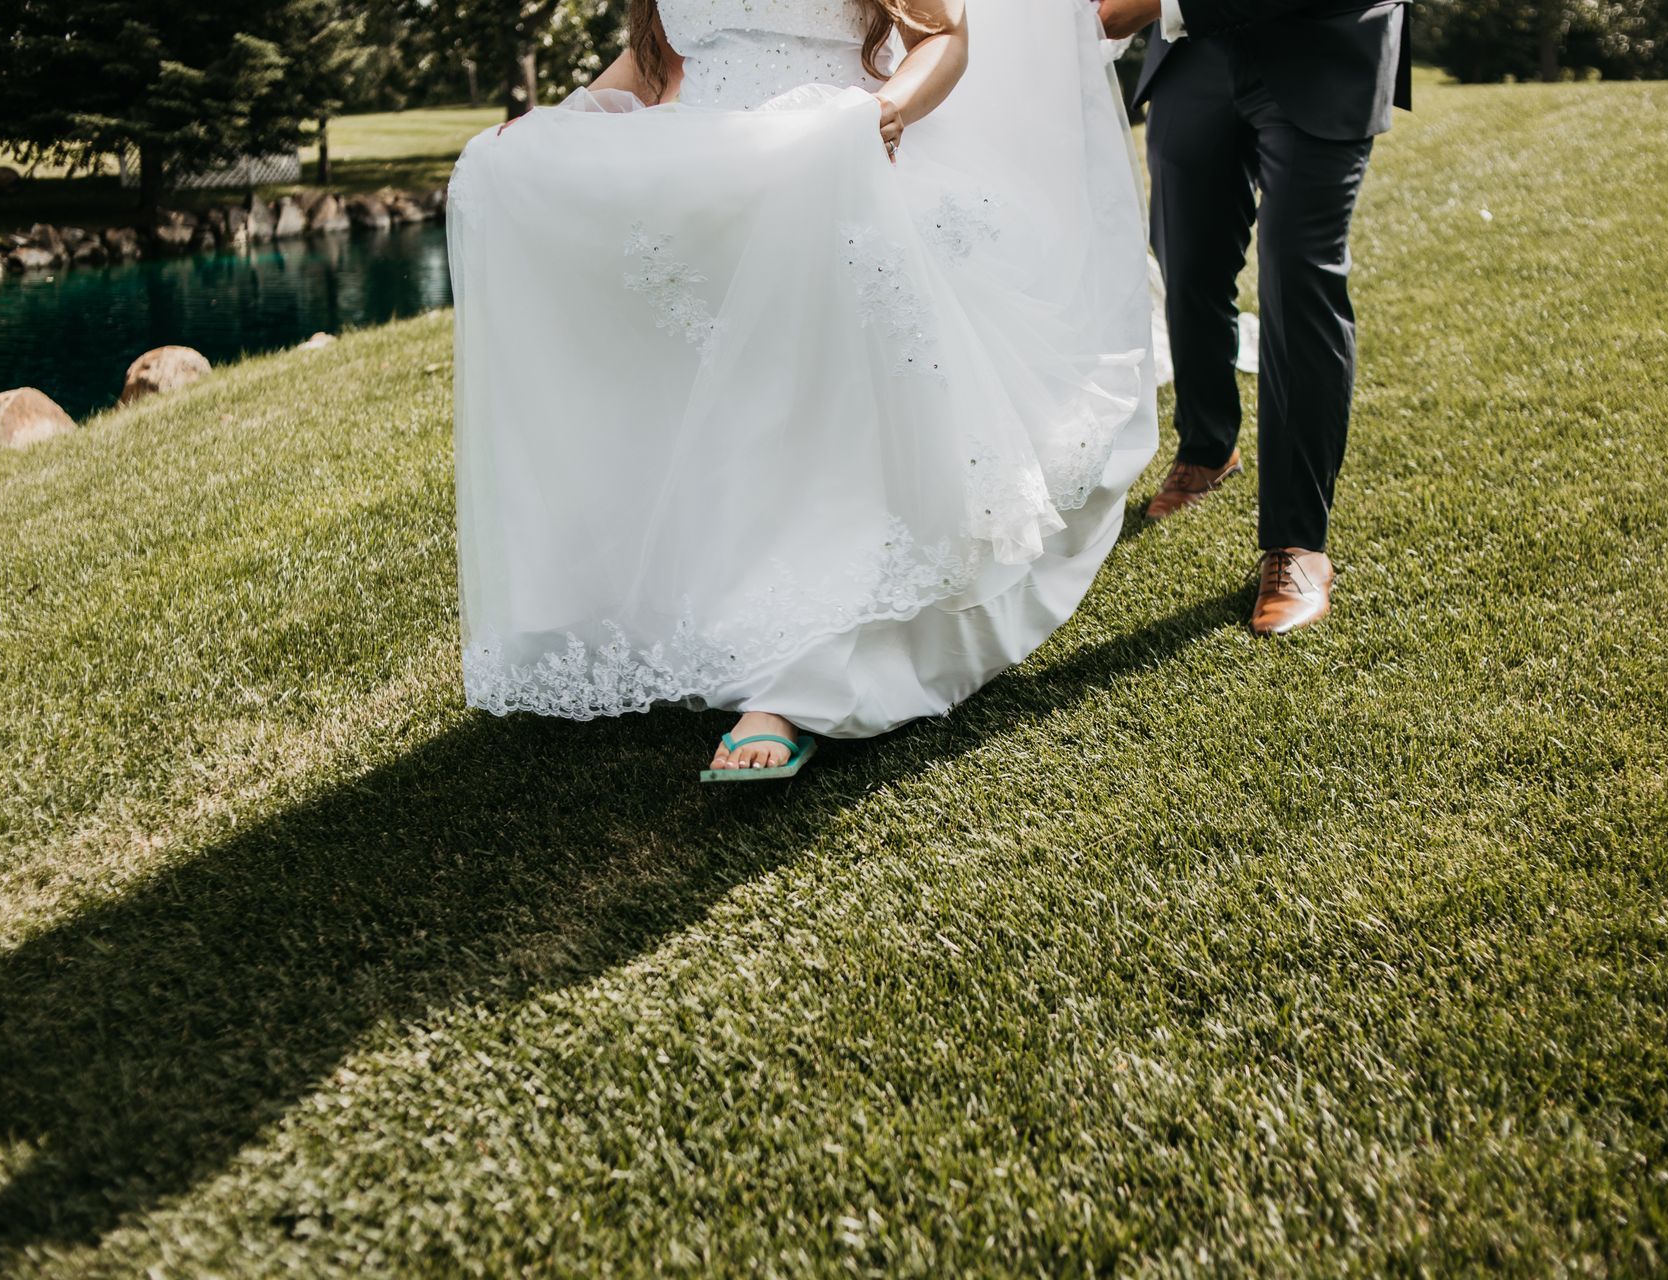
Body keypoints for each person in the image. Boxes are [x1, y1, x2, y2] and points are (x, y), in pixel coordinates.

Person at [447, 0, 1157, 780]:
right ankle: (710, 615)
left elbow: (946, 38)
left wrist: (883, 115)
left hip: (834, 173)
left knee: (805, 413)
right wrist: (560, 121)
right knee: (713, 412)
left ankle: (794, 682)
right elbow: (654, 68)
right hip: (711, 189)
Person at [1101, 0, 1411, 633]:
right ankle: (1207, 446)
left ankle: (1297, 545)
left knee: (1300, 281)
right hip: (1192, 57)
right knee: (1187, 263)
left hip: (1323, 41)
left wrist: (1162, 3)